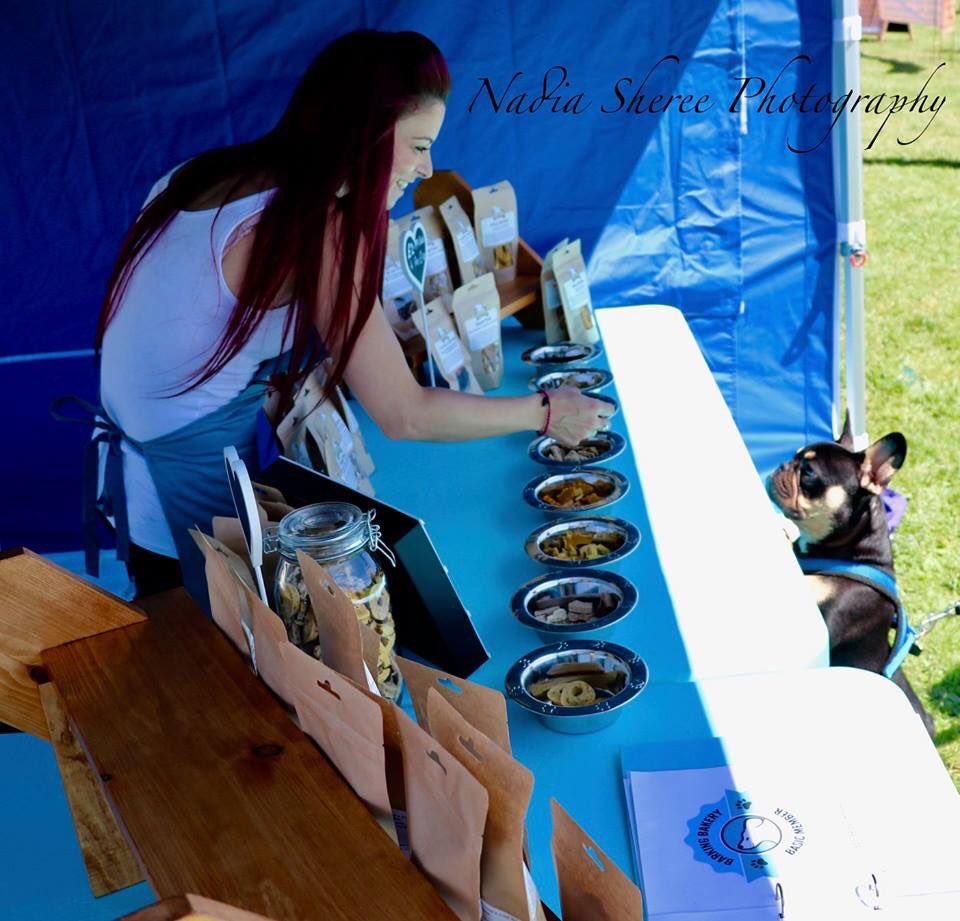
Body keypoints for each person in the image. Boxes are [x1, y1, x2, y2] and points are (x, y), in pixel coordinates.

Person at [90, 29, 609, 601]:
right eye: (417, 144)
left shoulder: (198, 174)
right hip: (189, 509)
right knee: (215, 665)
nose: (427, 167)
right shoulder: (318, 228)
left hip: (131, 485)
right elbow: (405, 415)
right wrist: (545, 412)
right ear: (363, 133)